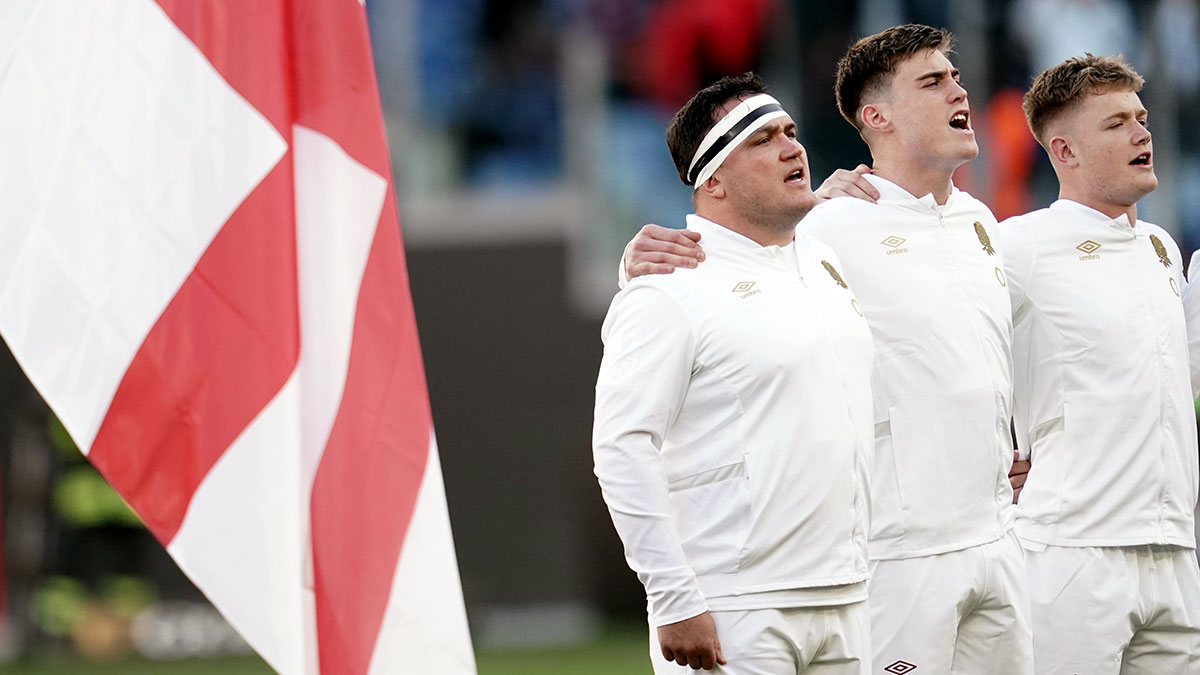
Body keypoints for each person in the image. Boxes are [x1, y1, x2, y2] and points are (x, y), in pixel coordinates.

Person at [623, 25, 1034, 674]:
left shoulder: (981, 221)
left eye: (955, 77)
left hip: (995, 538)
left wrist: (1016, 443)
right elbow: (731, 257)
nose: (959, 91)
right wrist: (635, 263)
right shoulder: (826, 226)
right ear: (877, 117)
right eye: (933, 81)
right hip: (893, 553)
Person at [593, 72, 875, 674]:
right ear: (713, 179)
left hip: (848, 594)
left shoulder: (823, 259)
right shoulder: (666, 287)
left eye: (790, 132)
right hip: (734, 605)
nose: (791, 147)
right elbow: (621, 447)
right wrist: (672, 595)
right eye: (762, 139)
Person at [997, 53, 1200, 674]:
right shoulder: (1020, 243)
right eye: (1116, 124)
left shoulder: (1162, 248)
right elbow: (939, 349)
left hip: (1174, 551)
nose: (1141, 133)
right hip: (1073, 551)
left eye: (1141, 119)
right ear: (1065, 151)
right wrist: (993, 457)